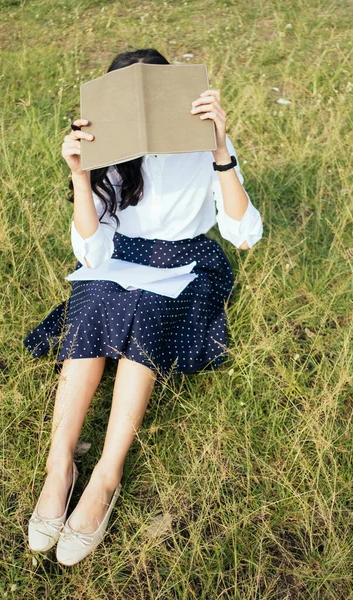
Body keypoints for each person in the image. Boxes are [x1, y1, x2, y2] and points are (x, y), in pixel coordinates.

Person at [24, 48, 264, 566]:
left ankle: (105, 478)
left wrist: (221, 148)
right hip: (119, 256)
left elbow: (244, 234)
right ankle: (59, 465)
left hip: (187, 261)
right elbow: (90, 251)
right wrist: (80, 175)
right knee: (92, 302)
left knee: (145, 314)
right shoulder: (109, 147)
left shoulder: (202, 141)